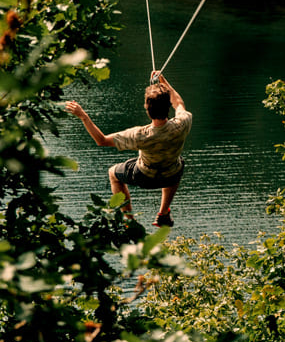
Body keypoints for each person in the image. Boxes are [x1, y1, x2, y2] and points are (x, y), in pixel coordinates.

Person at [65, 73, 192, 228]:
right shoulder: (182, 123)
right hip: (171, 174)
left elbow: (102, 140)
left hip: (144, 176)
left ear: (147, 108)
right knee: (177, 164)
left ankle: (129, 220)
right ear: (167, 107)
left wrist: (84, 116)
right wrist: (163, 81)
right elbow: (178, 103)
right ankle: (163, 212)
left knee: (113, 173)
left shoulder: (139, 135)